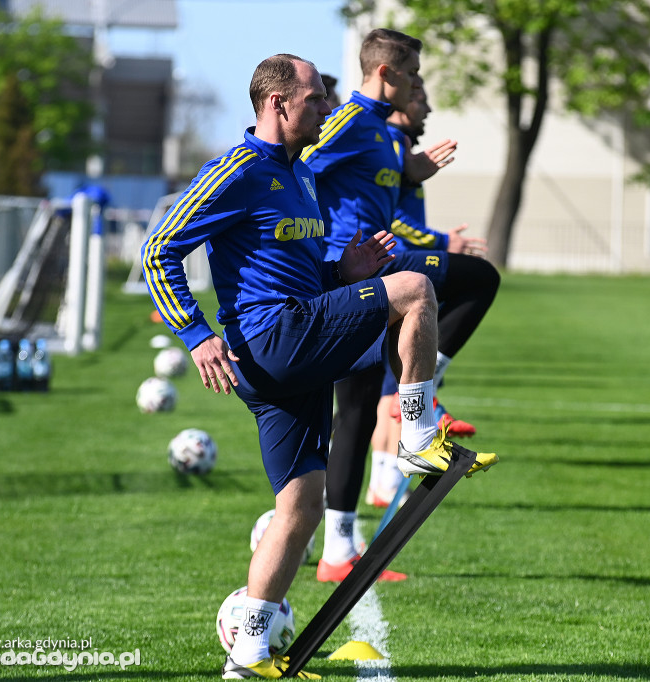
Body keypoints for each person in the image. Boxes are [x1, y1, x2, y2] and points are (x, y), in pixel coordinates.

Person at [141, 53, 497, 680]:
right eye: (314, 100)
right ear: (277, 104)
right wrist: (197, 335)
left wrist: (343, 273)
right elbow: (158, 249)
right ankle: (415, 436)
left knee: (300, 507)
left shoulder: (299, 172)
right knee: (415, 290)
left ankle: (248, 654)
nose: (327, 108)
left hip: (290, 349)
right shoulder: (239, 169)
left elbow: (287, 267)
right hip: (274, 337)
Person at [300, 29, 501, 582]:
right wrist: (322, 250)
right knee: (479, 277)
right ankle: (421, 397)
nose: (418, 84)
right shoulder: (348, 120)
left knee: (358, 411)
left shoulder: (385, 134)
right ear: (386, 73)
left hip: (373, 268)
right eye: (412, 73)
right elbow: (300, 165)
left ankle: (337, 552)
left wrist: (417, 168)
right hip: (358, 270)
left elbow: (385, 179)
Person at [367, 86, 488, 505]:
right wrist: (440, 241)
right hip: (389, 267)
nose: (428, 106)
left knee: (386, 392)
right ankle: (426, 389)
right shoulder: (379, 142)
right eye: (419, 93)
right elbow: (392, 221)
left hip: (396, 265)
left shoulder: (396, 147)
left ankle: (382, 482)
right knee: (481, 280)